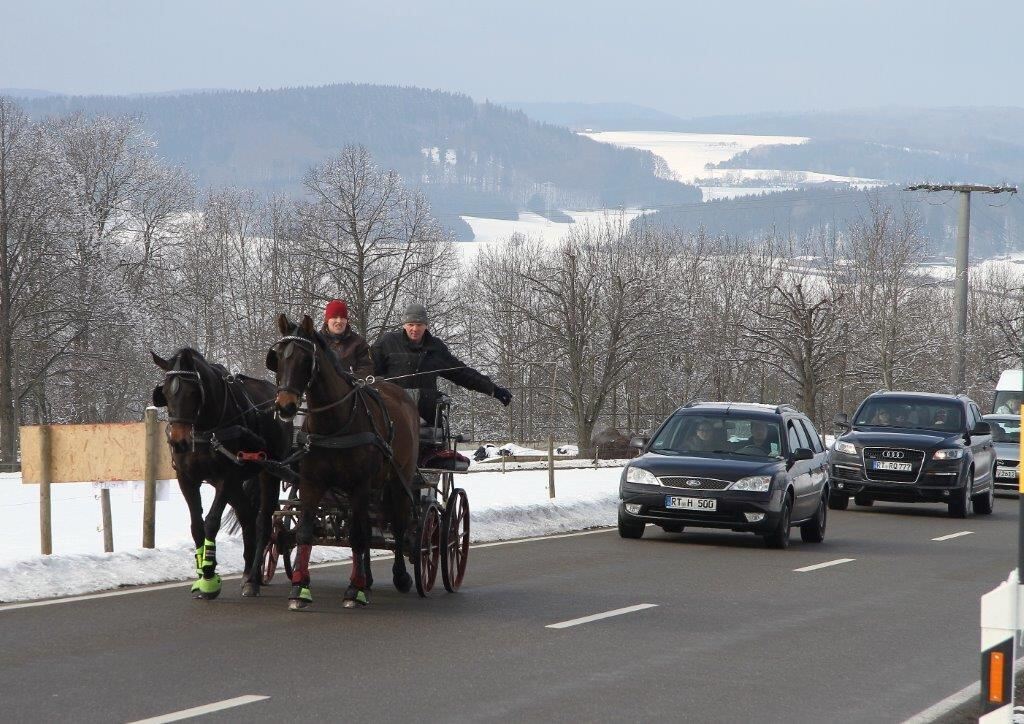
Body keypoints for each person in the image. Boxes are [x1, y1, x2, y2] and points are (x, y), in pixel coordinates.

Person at [371, 302, 512, 422]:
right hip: (393, 413)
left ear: (426, 325)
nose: (414, 329)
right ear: (404, 325)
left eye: (419, 324)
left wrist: (493, 389)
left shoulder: (435, 348)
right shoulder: (387, 343)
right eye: (410, 324)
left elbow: (461, 372)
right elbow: (370, 373)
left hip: (426, 412)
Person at [321, 299, 373, 378]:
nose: (339, 321)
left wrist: (351, 379)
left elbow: (367, 368)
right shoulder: (317, 341)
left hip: (352, 387)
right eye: (334, 317)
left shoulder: (358, 342)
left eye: (342, 317)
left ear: (347, 320)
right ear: (327, 320)